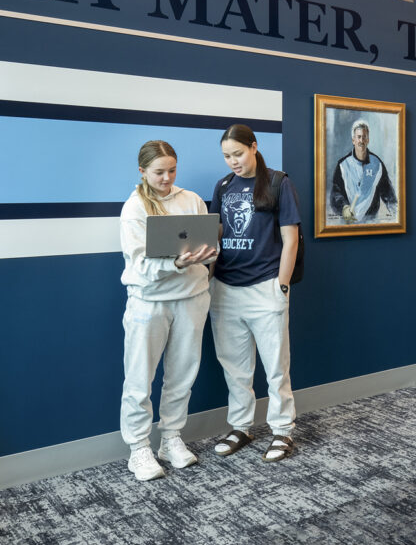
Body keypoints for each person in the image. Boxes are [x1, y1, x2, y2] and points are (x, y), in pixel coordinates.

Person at [119, 140, 217, 482]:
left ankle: (171, 438)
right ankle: (138, 448)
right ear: (143, 171)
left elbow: (208, 247)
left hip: (193, 296)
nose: (166, 178)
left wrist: (206, 255)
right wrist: (174, 262)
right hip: (149, 302)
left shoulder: (190, 200)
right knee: (139, 379)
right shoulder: (134, 209)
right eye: (159, 172)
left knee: (182, 375)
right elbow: (139, 264)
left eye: (172, 170)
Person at [208, 124, 301, 462]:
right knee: (235, 367)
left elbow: (290, 239)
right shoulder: (223, 186)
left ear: (254, 147)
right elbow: (216, 234)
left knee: (276, 366)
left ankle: (282, 431)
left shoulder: (278, 183)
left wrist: (282, 285)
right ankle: (241, 425)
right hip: (226, 289)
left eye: (238, 153)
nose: (233, 161)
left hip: (265, 286)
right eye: (227, 156)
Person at [329, 119, 397, 224]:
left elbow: (388, 193)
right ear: (353, 140)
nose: (361, 141)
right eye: (359, 137)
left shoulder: (377, 164)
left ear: (368, 140)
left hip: (371, 221)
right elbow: (335, 194)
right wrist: (344, 208)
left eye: (364, 137)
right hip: (348, 223)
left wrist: (396, 215)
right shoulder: (343, 165)